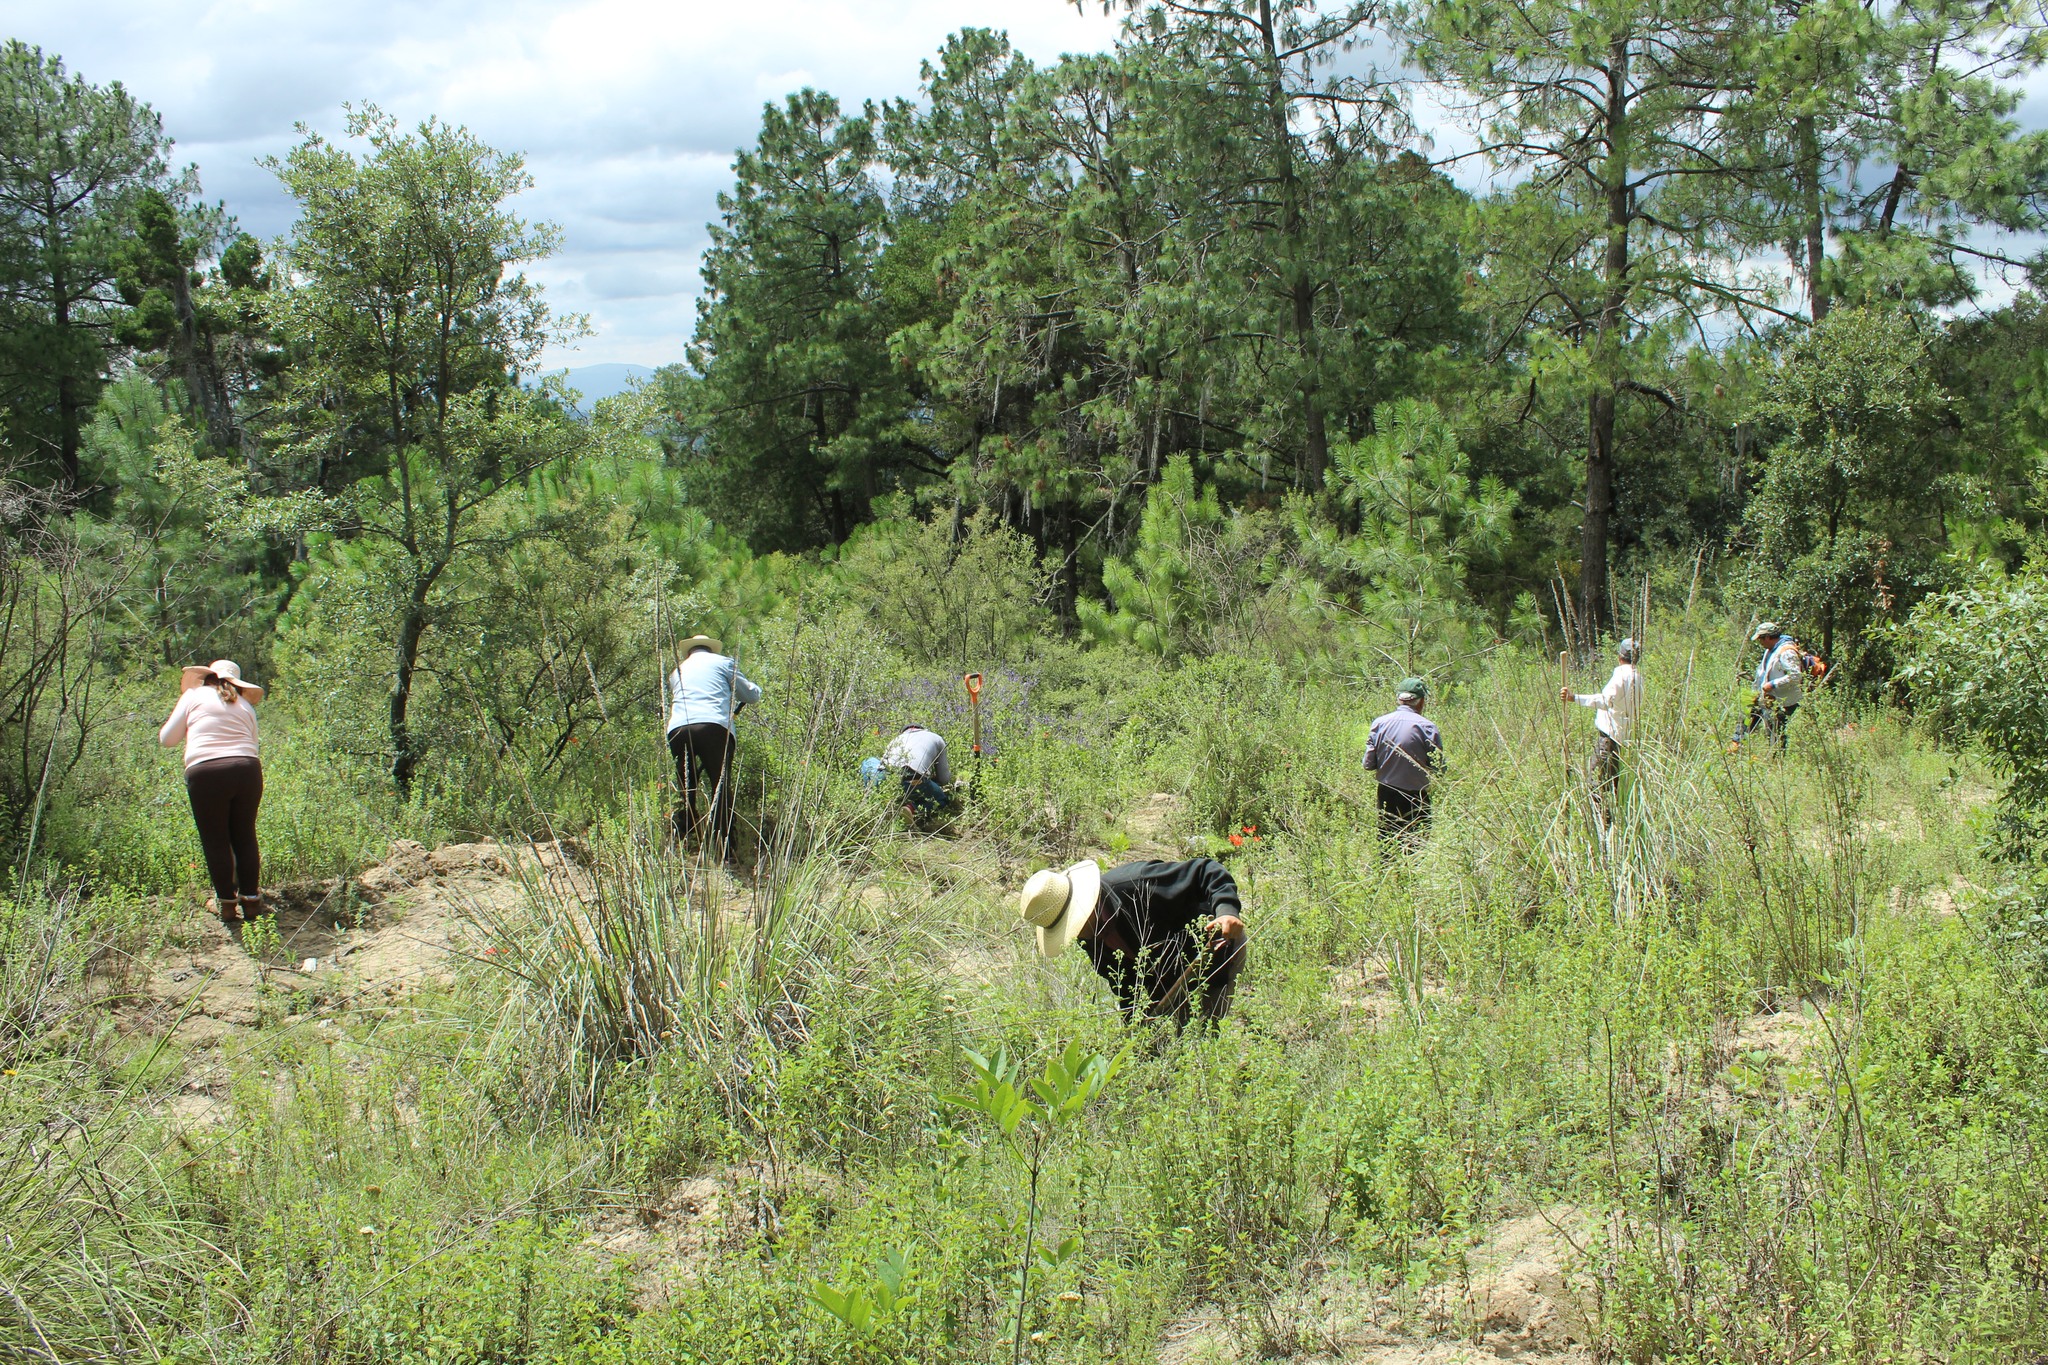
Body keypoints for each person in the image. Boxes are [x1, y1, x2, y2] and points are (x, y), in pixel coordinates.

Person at [1018, 857, 1247, 1027]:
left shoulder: (1137, 883)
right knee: (1173, 1038)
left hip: (1214, 949)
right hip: (1168, 981)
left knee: (1207, 1027)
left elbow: (1206, 870)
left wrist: (1226, 911)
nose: (1076, 935)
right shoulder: (1086, 935)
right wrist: (1136, 1022)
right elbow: (1123, 982)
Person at [159, 660, 267, 925]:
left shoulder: (193, 695)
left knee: (216, 839)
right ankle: (251, 902)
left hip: (206, 772)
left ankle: (227, 905)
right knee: (244, 835)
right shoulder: (245, 706)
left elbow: (167, 739)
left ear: (208, 677)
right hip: (247, 769)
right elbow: (252, 745)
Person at [664, 634, 762, 854]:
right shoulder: (724, 662)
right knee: (720, 784)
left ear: (689, 652)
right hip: (714, 727)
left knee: (687, 785)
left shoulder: (677, 671)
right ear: (711, 649)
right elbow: (750, 695)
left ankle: (684, 831)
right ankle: (724, 846)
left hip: (678, 729)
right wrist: (756, 689)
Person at [1564, 637, 1642, 821]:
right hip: (1624, 740)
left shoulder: (1622, 675)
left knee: (1595, 783)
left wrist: (1573, 697)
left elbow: (1605, 701)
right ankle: (1613, 824)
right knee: (1613, 784)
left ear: (1620, 656)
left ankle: (1603, 823)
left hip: (1608, 739)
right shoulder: (1638, 677)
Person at [1363, 677, 1443, 842]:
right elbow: (1438, 767)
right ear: (1421, 702)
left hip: (1386, 793)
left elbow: (1368, 764)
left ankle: (1386, 867)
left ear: (1399, 699)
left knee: (1387, 841)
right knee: (1416, 843)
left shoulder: (1379, 723)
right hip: (1416, 795)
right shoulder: (1427, 727)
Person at [1749, 621, 1804, 751]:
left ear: (1768, 637)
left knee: (1776, 731)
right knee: (1752, 717)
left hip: (1784, 700)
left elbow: (1796, 676)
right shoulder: (1771, 650)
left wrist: (1773, 684)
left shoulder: (1787, 652)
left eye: (1761, 639)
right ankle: (1738, 743)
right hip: (1770, 698)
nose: (1760, 643)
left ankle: (1777, 759)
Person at [882, 724, 957, 818]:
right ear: (923, 730)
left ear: (903, 732)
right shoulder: (936, 738)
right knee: (941, 800)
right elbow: (944, 779)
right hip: (914, 779)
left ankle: (888, 808)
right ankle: (911, 809)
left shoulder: (894, 741)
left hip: (889, 782)